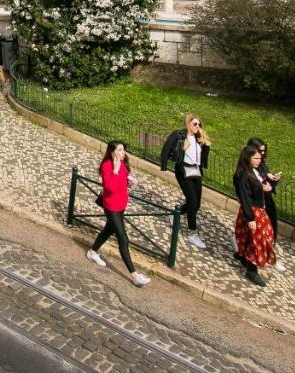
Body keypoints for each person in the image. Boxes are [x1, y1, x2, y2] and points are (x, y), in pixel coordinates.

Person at [85, 140, 152, 287]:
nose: (123, 153)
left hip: (121, 205)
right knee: (123, 239)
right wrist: (115, 171)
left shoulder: (123, 165)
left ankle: (92, 252)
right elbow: (109, 188)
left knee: (108, 230)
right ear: (113, 151)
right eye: (120, 150)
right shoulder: (107, 166)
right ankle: (135, 276)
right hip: (112, 207)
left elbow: (122, 183)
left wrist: (130, 182)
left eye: (123, 150)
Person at [159, 113, 210, 250]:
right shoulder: (179, 135)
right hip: (183, 172)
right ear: (188, 124)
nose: (197, 127)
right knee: (192, 202)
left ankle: (176, 214)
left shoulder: (199, 138)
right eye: (195, 124)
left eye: (199, 124)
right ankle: (192, 233)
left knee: (196, 204)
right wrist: (182, 149)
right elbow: (168, 151)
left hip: (196, 172)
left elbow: (203, 159)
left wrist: (206, 146)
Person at [234, 144, 277, 286]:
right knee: (257, 240)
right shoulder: (243, 175)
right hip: (252, 212)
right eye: (256, 158)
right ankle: (252, 270)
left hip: (259, 210)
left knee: (254, 238)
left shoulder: (254, 171)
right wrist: (250, 217)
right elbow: (245, 197)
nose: (260, 160)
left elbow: (258, 187)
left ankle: (243, 257)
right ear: (248, 158)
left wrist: (269, 185)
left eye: (260, 157)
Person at [247, 137, 286, 272]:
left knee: (270, 230)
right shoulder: (247, 170)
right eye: (260, 152)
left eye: (264, 152)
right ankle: (254, 262)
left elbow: (267, 180)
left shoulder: (262, 164)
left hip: (265, 201)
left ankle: (269, 257)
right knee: (258, 232)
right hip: (256, 204)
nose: (262, 155)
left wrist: (273, 180)